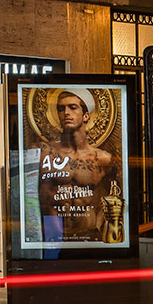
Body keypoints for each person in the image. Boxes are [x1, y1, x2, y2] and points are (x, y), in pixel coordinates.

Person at [37, 88, 117, 243]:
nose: (66, 113)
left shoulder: (102, 158)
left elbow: (115, 197)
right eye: (61, 109)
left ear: (86, 116)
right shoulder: (45, 154)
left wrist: (99, 227)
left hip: (89, 237)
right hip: (53, 238)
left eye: (73, 107)